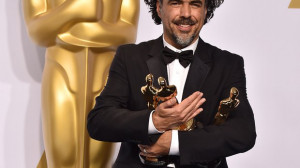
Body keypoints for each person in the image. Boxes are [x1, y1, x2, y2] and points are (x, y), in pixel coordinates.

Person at [87, 0, 256, 167]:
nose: (186, 13)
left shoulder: (228, 64)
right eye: (176, 3)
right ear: (159, 8)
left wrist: (176, 143)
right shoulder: (129, 56)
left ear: (206, 10)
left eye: (195, 4)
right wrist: (154, 122)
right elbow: (99, 122)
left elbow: (243, 132)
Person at [23, 0, 139, 167]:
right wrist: (73, 9)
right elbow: (37, 31)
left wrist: (70, 33)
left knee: (99, 160)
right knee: (63, 157)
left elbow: (128, 34)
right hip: (61, 72)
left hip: (106, 77)